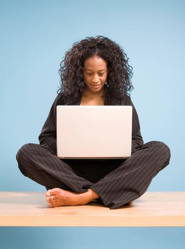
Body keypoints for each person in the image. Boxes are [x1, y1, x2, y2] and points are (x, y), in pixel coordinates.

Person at [16, 36, 171, 209]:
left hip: (114, 171)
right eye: (89, 73)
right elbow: (46, 137)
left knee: (160, 150)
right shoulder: (65, 99)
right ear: (80, 72)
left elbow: (136, 141)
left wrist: (116, 146)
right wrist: (69, 145)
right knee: (25, 153)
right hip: (71, 173)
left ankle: (83, 197)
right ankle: (108, 193)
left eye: (101, 73)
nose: (95, 79)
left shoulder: (121, 99)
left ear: (110, 71)